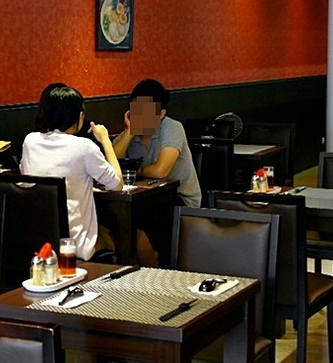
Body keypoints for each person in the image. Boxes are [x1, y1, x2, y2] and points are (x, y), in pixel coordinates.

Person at [21, 84, 122, 261]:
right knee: (117, 240)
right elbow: (117, 184)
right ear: (80, 116)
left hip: (37, 241)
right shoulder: (84, 147)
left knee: (104, 231)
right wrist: (105, 140)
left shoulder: (30, 141)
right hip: (73, 246)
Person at [113, 78, 202, 208]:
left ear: (161, 113)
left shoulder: (172, 127)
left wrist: (134, 171)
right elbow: (112, 165)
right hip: (143, 196)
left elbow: (160, 172)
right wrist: (130, 131)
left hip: (180, 200)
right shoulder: (130, 134)